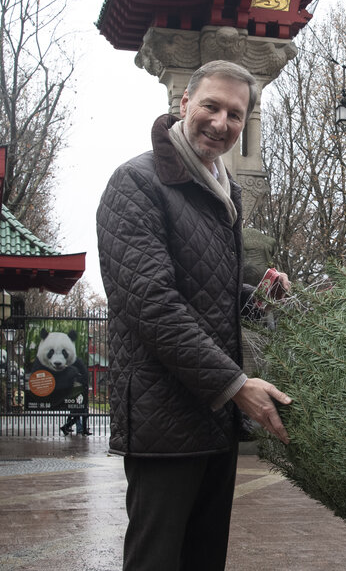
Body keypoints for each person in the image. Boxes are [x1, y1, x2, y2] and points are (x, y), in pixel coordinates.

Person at [97, 60, 293, 571]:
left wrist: (256, 297)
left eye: (236, 114)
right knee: (158, 559)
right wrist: (235, 384)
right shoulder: (137, 183)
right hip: (165, 416)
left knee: (204, 559)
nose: (221, 122)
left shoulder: (222, 189)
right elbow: (152, 304)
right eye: (211, 105)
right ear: (184, 104)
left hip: (211, 415)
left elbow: (206, 293)